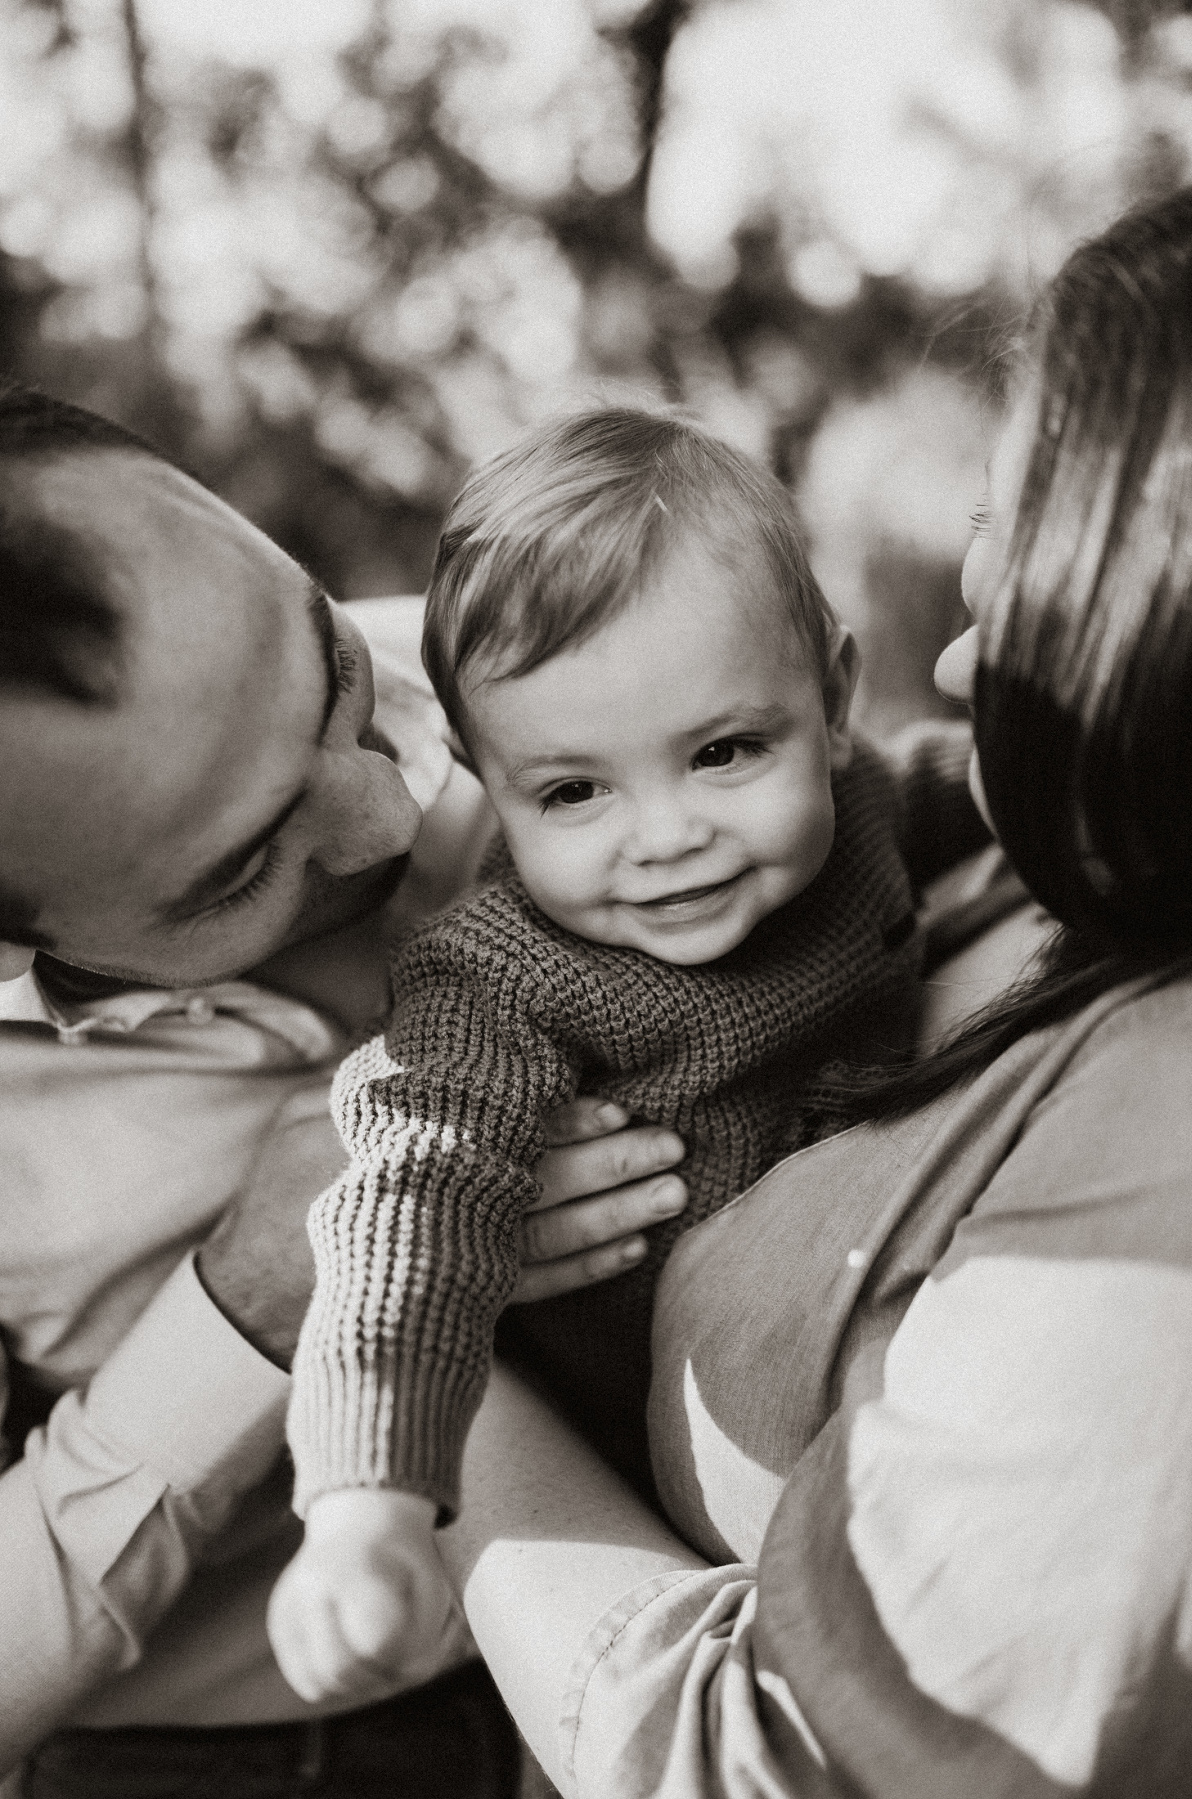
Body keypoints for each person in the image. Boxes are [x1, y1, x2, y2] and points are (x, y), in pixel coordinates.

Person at [435, 185, 1192, 1797]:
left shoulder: (1169, 1162)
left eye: (1041, 565)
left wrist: (427, 1362)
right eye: (984, 541)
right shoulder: (1025, 856)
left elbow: (764, 1765)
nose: (962, 656)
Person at [0, 383, 693, 1796]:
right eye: (243, 870)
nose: (390, 811)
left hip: (692, 1606)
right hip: (255, 1762)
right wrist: (244, 1309)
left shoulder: (539, 663)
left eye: (333, 672)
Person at [266, 409, 988, 1705]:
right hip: (626, 1476)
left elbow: (984, 788)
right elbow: (410, 1208)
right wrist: (365, 1502)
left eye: (722, 754)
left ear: (832, 703)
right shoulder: (497, 980)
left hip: (866, 1356)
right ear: (487, 778)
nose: (665, 836)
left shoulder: (863, 807)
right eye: (572, 792)